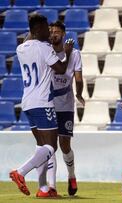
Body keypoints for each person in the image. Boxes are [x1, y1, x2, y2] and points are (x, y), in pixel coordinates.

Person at [9, 14, 73, 198]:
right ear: (38, 30)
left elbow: (30, 39)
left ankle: (44, 188)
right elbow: (60, 69)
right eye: (46, 28)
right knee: (51, 146)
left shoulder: (21, 48)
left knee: (41, 147)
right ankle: (20, 172)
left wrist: (34, 32)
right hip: (43, 102)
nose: (50, 32)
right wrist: (67, 53)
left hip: (27, 103)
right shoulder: (45, 48)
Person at [45, 20, 84, 196]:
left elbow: (78, 77)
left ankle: (71, 175)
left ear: (63, 34)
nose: (53, 34)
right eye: (51, 31)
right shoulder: (45, 51)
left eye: (57, 32)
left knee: (65, 144)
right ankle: (51, 185)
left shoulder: (74, 54)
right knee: (50, 144)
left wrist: (79, 93)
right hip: (48, 103)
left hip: (66, 104)